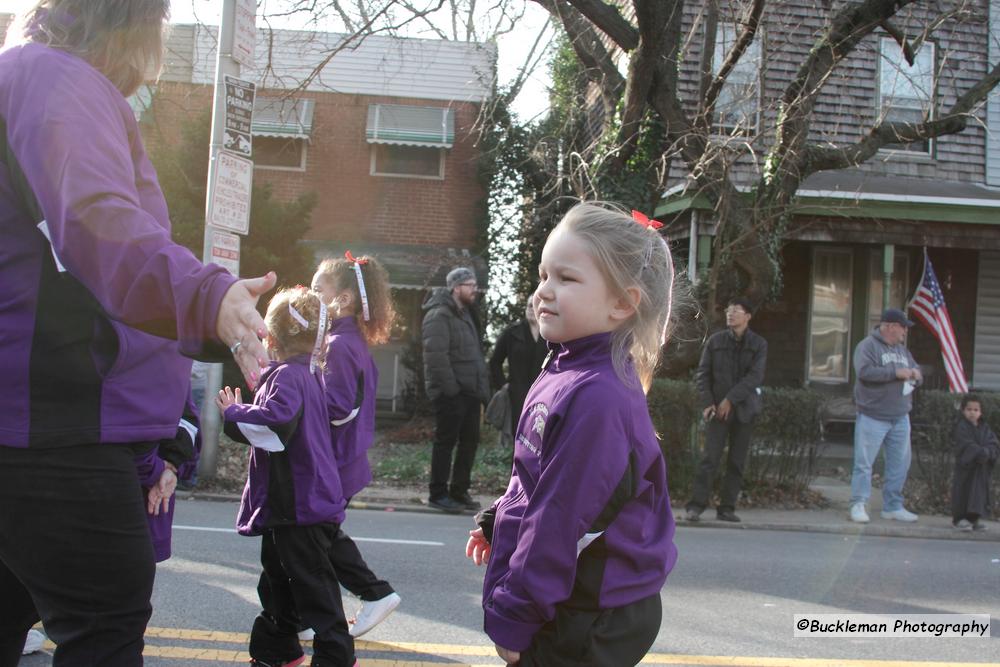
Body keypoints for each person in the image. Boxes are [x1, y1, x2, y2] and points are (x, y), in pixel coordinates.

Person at [0, 3, 275, 665]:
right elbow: (101, 226)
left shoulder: (28, 76)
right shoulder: (57, 82)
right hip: (55, 424)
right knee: (107, 613)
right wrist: (210, 296)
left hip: (33, 420)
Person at [466, 203, 678, 666]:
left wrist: (515, 617)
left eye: (566, 278)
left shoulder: (598, 395)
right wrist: (499, 522)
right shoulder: (566, 365)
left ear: (622, 303)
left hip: (591, 608)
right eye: (543, 274)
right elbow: (535, 479)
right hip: (570, 594)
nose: (544, 290)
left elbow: (561, 517)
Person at [217, 287, 358, 667]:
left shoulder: (288, 377)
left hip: (298, 507)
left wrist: (234, 413)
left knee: (313, 591)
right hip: (300, 505)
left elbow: (276, 424)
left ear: (271, 337)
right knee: (278, 583)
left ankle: (335, 658)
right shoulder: (304, 375)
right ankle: (276, 652)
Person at [310, 253, 401, 637]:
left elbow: (336, 408)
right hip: (340, 461)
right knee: (311, 543)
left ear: (343, 299)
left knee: (316, 541)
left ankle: (374, 593)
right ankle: (304, 618)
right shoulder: (346, 341)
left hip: (333, 462)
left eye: (317, 290)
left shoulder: (339, 344)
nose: (308, 294)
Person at [685, 297, 768, 523]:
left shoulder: (759, 344)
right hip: (717, 410)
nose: (731, 314)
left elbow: (754, 377)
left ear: (748, 316)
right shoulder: (715, 341)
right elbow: (703, 374)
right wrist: (708, 402)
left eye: (737, 311)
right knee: (709, 459)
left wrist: (730, 399)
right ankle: (696, 506)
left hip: (744, 410)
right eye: (729, 311)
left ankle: (727, 507)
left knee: (737, 461)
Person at [421, 266, 490, 513]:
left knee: (469, 443)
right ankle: (437, 493)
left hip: (470, 393)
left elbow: (474, 355)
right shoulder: (438, 315)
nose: (474, 289)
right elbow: (436, 358)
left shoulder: (467, 314)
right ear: (455, 287)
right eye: (470, 285)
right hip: (451, 395)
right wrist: (452, 392)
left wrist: (480, 390)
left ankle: (459, 491)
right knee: (445, 443)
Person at [849, 308, 922, 524]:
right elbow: (864, 372)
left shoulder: (902, 350)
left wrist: (916, 375)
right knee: (864, 463)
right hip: (873, 415)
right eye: (903, 327)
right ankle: (858, 503)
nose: (905, 332)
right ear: (890, 326)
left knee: (900, 463)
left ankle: (893, 506)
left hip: (900, 416)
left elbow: (915, 368)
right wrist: (895, 373)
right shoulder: (867, 346)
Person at [488, 301, 550, 436]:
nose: (530, 308)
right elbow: (495, 362)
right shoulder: (512, 332)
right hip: (517, 394)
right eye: (528, 304)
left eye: (535, 304)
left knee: (541, 436)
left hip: (544, 394)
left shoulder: (551, 333)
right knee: (519, 436)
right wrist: (503, 386)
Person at [951, 394, 999, 531]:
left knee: (978, 494)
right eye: (969, 409)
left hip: (981, 469)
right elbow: (965, 444)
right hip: (966, 468)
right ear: (963, 410)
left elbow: (993, 443)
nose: (972, 412)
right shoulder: (961, 426)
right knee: (964, 492)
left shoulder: (985, 427)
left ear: (981, 412)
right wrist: (980, 452)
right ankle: (959, 519)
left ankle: (973, 520)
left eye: (976, 410)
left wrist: (988, 453)